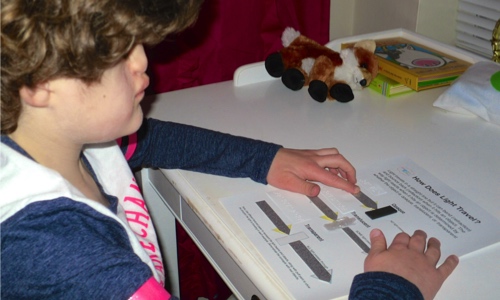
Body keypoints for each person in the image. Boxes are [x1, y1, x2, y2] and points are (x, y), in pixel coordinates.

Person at [0, 0, 458, 299]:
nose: (142, 61)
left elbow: (152, 141)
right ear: (37, 84)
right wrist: (392, 287)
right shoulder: (63, 256)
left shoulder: (57, 141)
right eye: (116, 52)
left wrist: (266, 158)